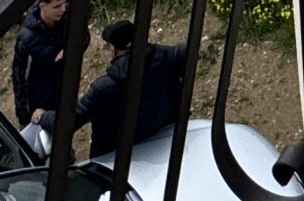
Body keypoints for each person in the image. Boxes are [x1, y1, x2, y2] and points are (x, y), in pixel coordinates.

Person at [26, 20, 191, 160]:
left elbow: (68, 121)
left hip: (114, 157)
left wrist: (42, 116)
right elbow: (188, 52)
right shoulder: (164, 57)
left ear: (114, 50)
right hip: (163, 139)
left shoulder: (103, 88)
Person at [9, 0, 69, 128]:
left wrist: (69, 51)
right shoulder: (26, 39)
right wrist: (24, 116)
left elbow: (83, 36)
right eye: (57, 6)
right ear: (42, 6)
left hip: (63, 89)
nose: (63, 9)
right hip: (40, 101)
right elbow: (18, 77)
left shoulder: (66, 17)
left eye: (64, 3)